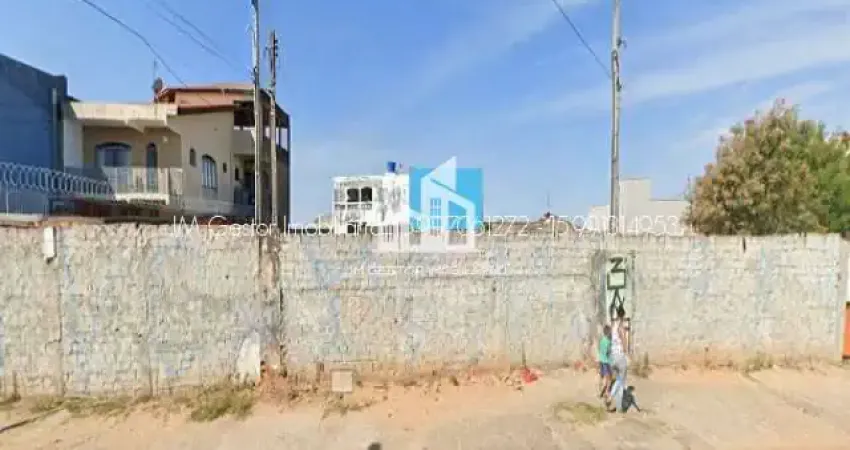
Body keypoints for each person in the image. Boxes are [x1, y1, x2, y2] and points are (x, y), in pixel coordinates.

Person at [608, 306, 628, 412]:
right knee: (621, 380)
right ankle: (610, 396)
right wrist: (626, 353)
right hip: (620, 356)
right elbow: (624, 342)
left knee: (618, 382)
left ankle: (619, 407)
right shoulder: (621, 327)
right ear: (623, 315)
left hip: (612, 356)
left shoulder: (613, 325)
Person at [597, 324, 613, 401]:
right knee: (609, 378)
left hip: (601, 360)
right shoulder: (608, 342)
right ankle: (606, 392)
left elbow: (599, 349)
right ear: (608, 332)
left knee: (602, 376)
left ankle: (600, 391)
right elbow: (608, 352)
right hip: (607, 361)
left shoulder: (602, 340)